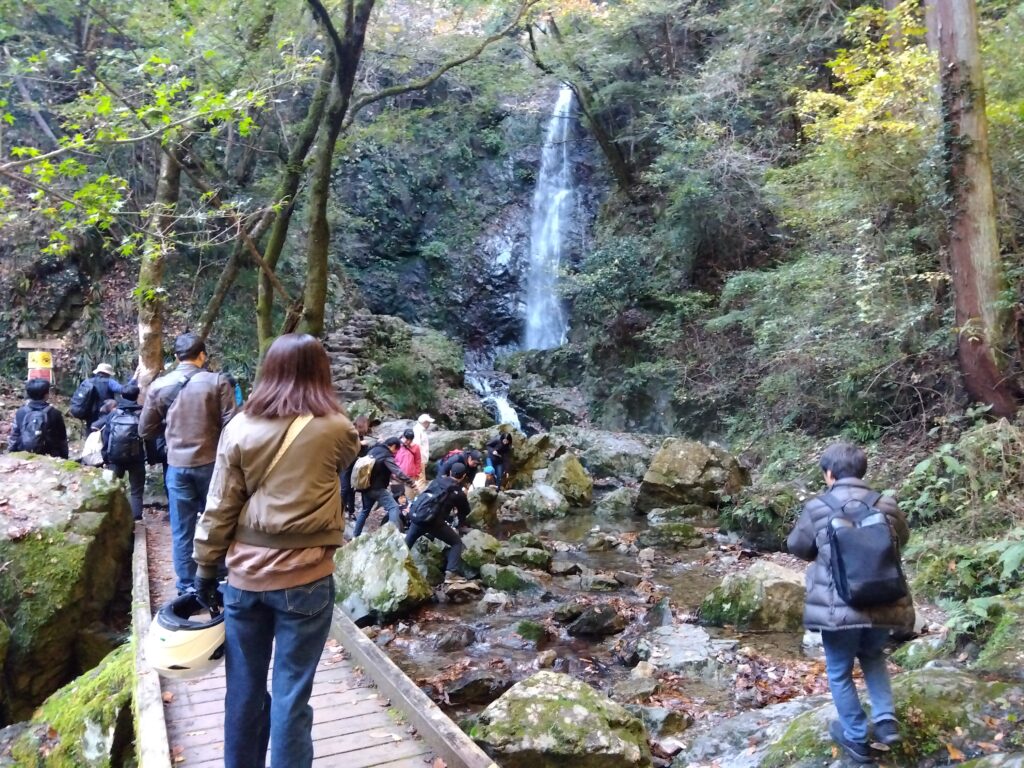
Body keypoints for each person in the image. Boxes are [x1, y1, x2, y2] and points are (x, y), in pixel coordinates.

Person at [192, 333, 359, 768]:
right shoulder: (337, 429)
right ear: (322, 374)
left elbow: (219, 505)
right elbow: (345, 460)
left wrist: (205, 568)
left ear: (269, 371)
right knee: (292, 692)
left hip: (245, 577)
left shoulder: (240, 428)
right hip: (306, 579)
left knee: (243, 689)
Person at [786, 441, 914, 763]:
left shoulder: (819, 507)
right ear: (862, 471)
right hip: (885, 599)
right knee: (873, 656)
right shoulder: (886, 504)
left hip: (838, 605)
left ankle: (856, 737)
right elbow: (902, 540)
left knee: (840, 671)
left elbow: (799, 547)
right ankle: (885, 722)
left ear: (829, 474)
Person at [140, 332, 236, 594]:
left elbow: (145, 430)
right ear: (202, 355)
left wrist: (171, 430)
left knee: (182, 528)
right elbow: (232, 426)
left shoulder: (159, 386)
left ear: (175, 357)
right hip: (212, 465)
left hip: (177, 466)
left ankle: (185, 586)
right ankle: (217, 577)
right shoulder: (218, 382)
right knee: (216, 522)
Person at [404, 463, 475, 581]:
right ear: (463, 476)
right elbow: (465, 511)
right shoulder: (457, 492)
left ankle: (395, 566)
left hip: (418, 517)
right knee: (456, 543)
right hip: (434, 523)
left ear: (450, 472)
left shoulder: (436, 481)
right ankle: (451, 573)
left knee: (406, 545)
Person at [95, 383, 147, 521]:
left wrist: (106, 457)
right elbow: (149, 438)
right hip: (137, 457)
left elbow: (106, 437)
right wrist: (151, 457)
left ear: (122, 396)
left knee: (111, 488)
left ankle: (111, 516)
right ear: (137, 396)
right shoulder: (142, 414)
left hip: (115, 458)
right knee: (136, 490)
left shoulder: (113, 414)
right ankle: (136, 517)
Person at [352, 437, 416, 537]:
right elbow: (397, 471)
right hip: (377, 488)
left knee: (365, 511)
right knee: (394, 507)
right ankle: (392, 536)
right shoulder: (386, 455)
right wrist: (411, 482)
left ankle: (355, 536)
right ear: (393, 446)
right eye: (396, 451)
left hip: (365, 486)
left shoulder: (374, 449)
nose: (395, 454)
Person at [7, 378, 69, 458]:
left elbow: (15, 435)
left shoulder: (21, 412)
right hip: (50, 455)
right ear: (46, 394)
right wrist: (64, 457)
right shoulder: (54, 413)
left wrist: (12, 452)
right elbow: (62, 439)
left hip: (24, 453)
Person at [70, 363, 123, 436]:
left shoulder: (87, 382)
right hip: (104, 416)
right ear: (108, 373)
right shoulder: (110, 382)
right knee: (103, 437)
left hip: (89, 415)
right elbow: (123, 390)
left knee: (91, 437)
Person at [340, 415, 374, 520]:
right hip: (346, 464)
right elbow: (346, 447)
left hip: (355, 464)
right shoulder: (350, 432)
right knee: (345, 488)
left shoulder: (361, 434)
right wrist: (360, 443)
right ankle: (338, 510)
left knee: (352, 489)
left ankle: (351, 511)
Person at [395, 428, 422, 497]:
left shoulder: (416, 447)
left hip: (410, 476)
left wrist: (417, 473)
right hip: (397, 475)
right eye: (406, 439)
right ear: (403, 437)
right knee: (397, 497)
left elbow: (418, 460)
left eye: (409, 440)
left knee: (408, 497)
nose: (407, 441)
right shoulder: (396, 445)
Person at [411, 413, 435, 483]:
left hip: (421, 460)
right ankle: (419, 493)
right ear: (425, 422)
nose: (429, 424)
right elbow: (417, 446)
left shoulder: (420, 430)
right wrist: (421, 461)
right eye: (428, 423)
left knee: (420, 479)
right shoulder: (418, 430)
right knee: (420, 481)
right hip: (419, 460)